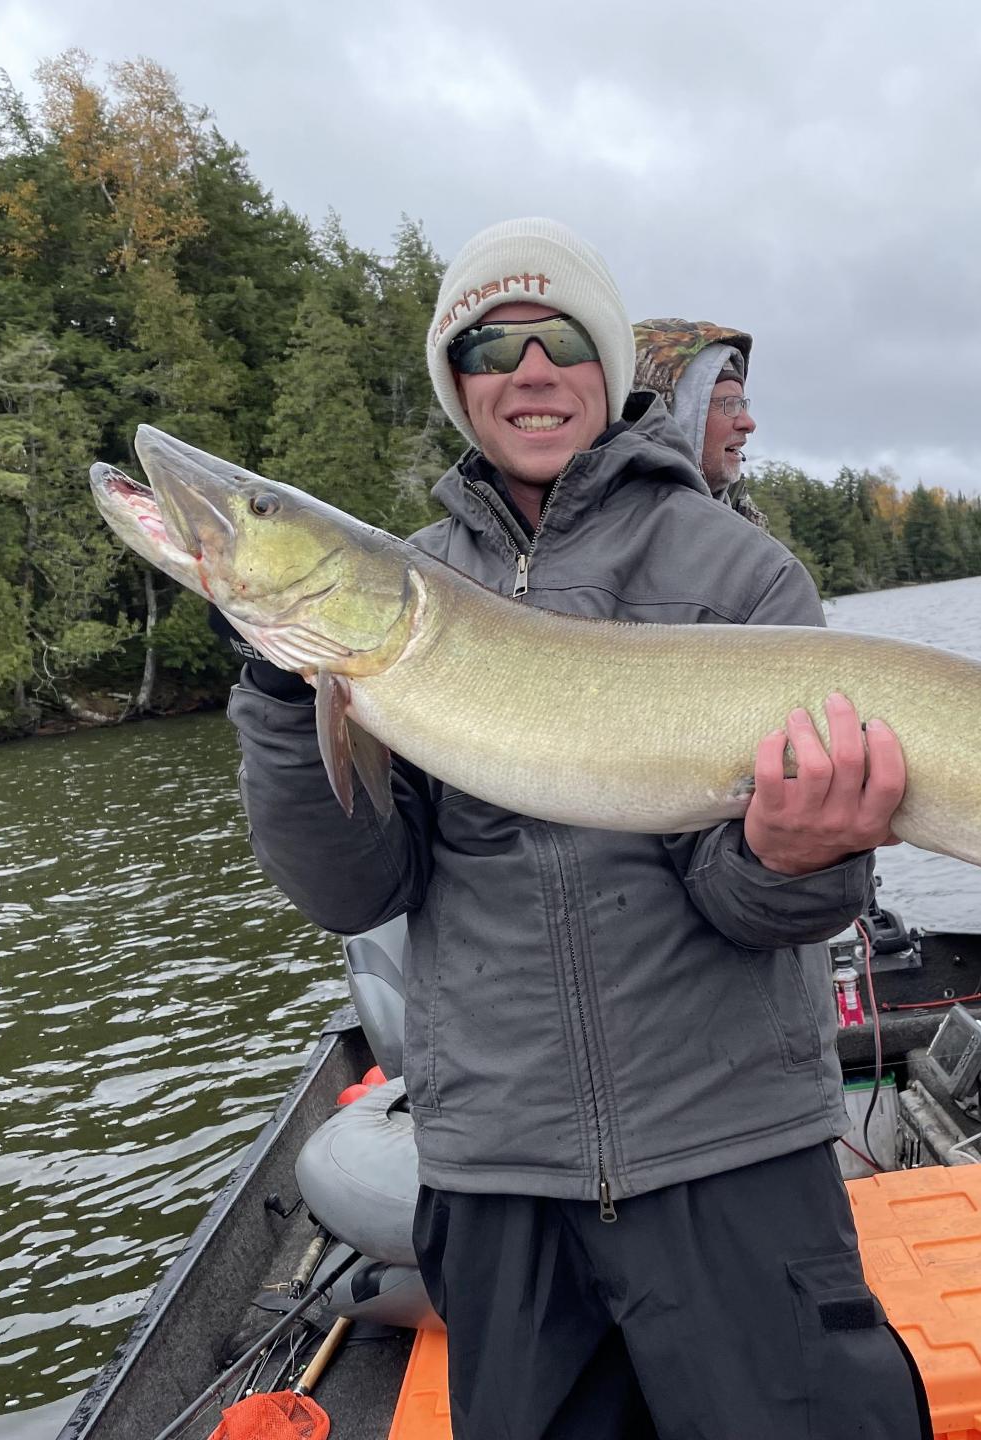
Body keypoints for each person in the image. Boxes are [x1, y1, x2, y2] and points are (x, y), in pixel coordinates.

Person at [217, 218, 924, 1438]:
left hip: (731, 1154)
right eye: (491, 344)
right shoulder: (403, 601)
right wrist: (287, 695)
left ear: (604, 363)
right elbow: (355, 888)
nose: (528, 370)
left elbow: (760, 904)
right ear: (459, 382)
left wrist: (788, 856)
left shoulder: (740, 576)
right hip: (499, 1179)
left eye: (559, 340)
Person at [633, 317, 770, 527]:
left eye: (742, 404)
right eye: (729, 404)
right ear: (671, 416)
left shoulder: (745, 529)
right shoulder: (611, 527)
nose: (748, 423)